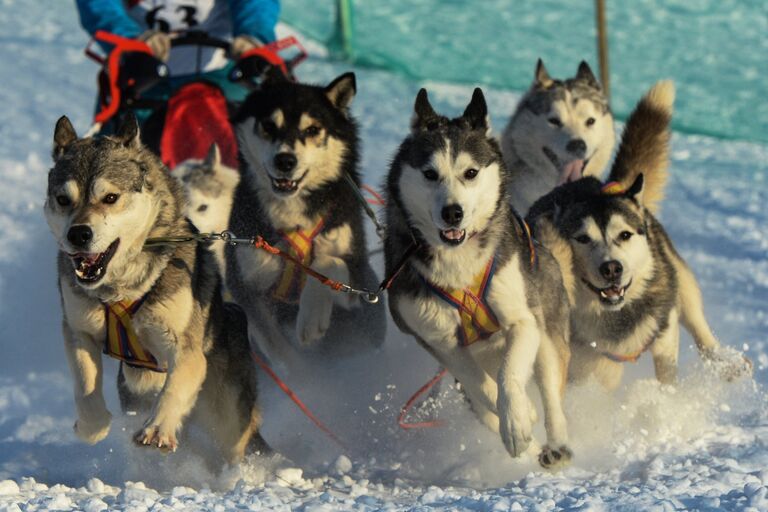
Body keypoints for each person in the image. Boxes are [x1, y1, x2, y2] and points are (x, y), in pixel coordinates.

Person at [75, 0, 280, 164]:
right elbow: (99, 5)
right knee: (108, 161)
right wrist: (129, 39)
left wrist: (254, 36)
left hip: (222, 69)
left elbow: (257, 4)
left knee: (263, 144)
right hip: (141, 71)